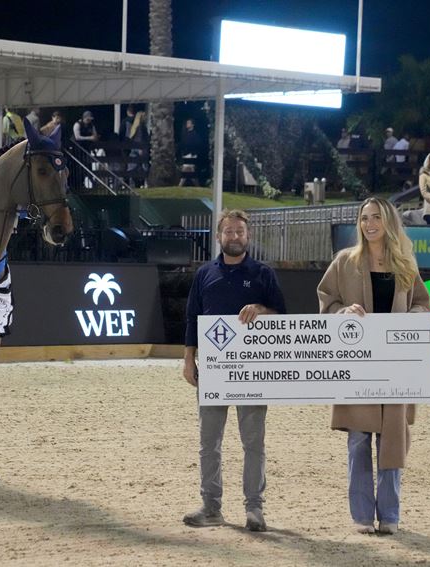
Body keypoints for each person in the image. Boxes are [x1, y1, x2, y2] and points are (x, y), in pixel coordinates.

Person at [317, 197, 430, 535]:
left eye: (375, 218)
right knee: (359, 442)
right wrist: (343, 314)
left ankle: (390, 515)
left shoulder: (405, 264)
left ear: (388, 221)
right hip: (358, 367)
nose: (369, 224)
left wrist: (422, 319)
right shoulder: (345, 262)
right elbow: (327, 303)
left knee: (393, 441)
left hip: (396, 369)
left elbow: (420, 304)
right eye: (363, 218)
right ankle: (361, 516)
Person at [182, 209, 287, 532]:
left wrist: (260, 309)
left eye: (239, 231)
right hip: (213, 372)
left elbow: (282, 317)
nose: (234, 237)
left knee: (253, 443)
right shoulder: (204, 274)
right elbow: (192, 319)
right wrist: (189, 360)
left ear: (248, 236)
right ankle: (211, 507)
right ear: (218, 237)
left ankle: (254, 509)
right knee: (208, 442)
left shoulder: (263, 274)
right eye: (228, 232)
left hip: (252, 373)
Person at [179, 119, 204, 186]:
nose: (187, 124)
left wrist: (193, 153)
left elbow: (197, 145)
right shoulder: (185, 134)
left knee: (187, 169)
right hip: (186, 154)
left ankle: (180, 185)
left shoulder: (195, 135)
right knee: (190, 171)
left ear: (192, 124)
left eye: (189, 123)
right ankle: (196, 185)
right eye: (187, 123)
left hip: (191, 155)